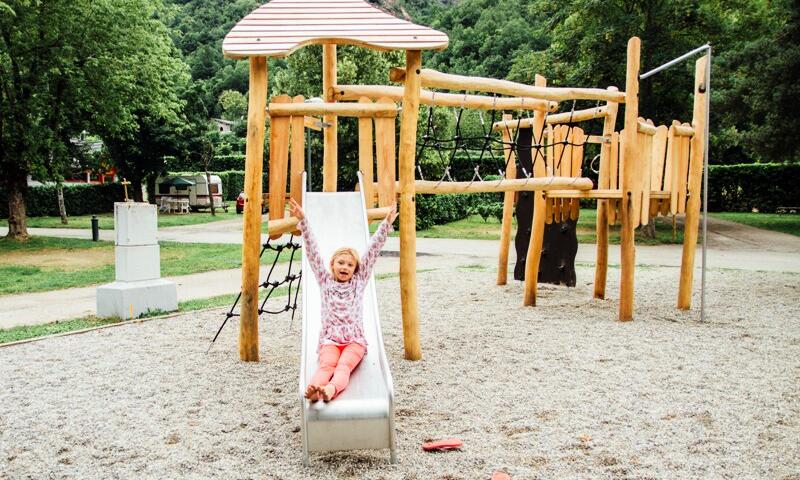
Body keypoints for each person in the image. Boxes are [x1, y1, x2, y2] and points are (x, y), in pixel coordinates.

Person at [288, 198, 398, 402]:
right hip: (330, 340)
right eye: (341, 262)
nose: (345, 267)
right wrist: (303, 221)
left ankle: (331, 389)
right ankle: (314, 389)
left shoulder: (359, 282)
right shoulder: (325, 280)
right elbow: (313, 253)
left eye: (349, 264)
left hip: (354, 341)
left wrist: (386, 224)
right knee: (327, 365)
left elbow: (372, 250)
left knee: (344, 366)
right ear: (332, 264)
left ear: (355, 269)